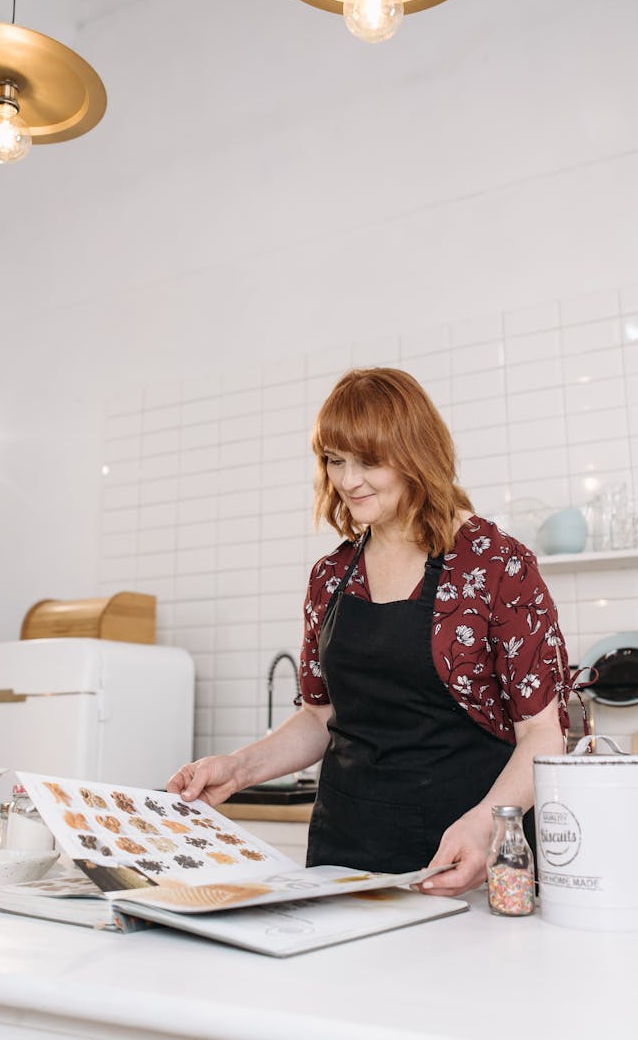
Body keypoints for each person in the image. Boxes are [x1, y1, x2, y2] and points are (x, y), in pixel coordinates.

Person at [167, 367, 570, 896]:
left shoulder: (496, 564)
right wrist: (237, 769)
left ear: (415, 454)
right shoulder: (331, 576)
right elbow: (319, 717)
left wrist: (489, 826)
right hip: (343, 859)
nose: (348, 480)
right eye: (335, 461)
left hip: (464, 857)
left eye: (369, 461)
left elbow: (543, 735)